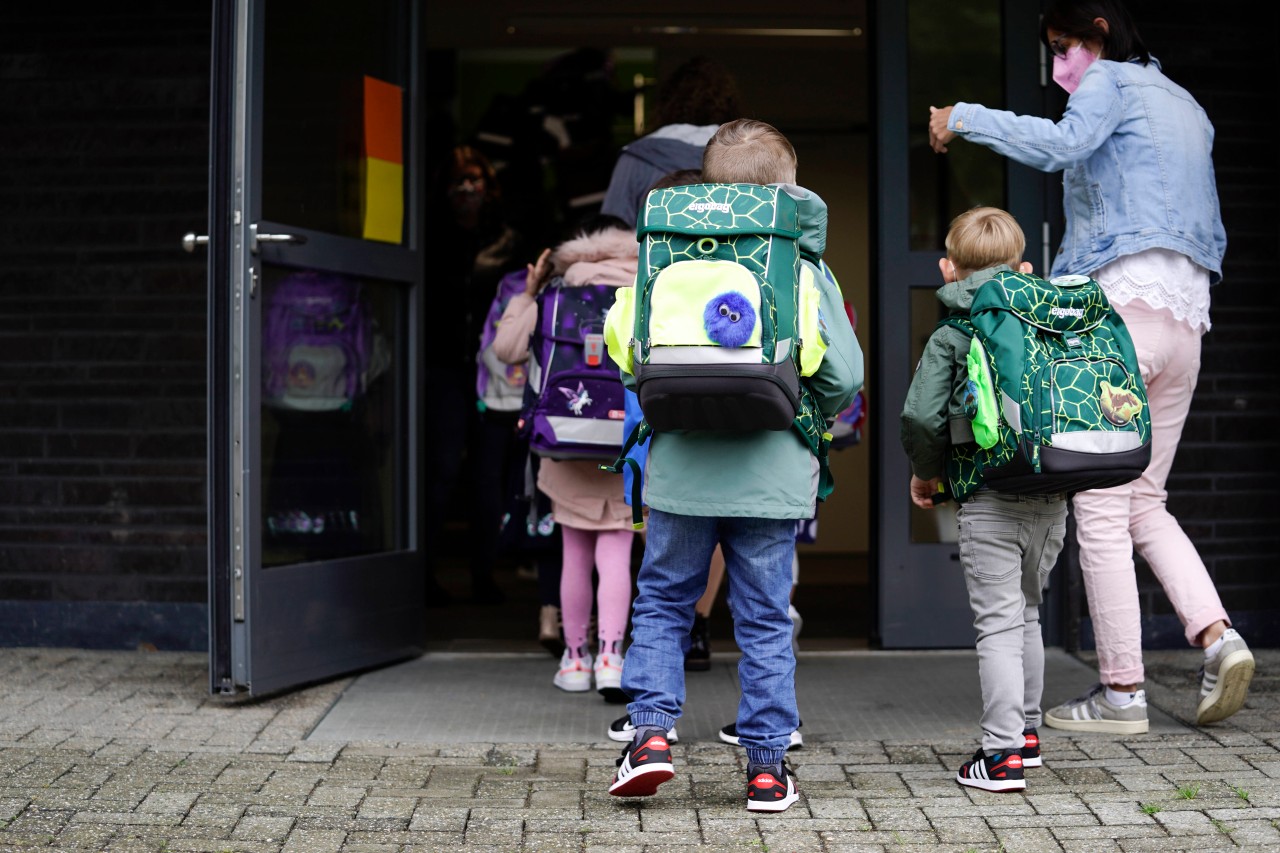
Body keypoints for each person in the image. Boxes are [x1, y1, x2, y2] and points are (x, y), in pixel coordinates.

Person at [927, 0, 1252, 732]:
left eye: (1064, 45)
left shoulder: (1109, 81)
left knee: (1101, 500)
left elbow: (1059, 146)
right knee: (1145, 499)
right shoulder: (1188, 105)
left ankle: (1122, 693)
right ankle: (1216, 635)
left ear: (1099, 36)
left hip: (1122, 322)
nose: (1058, 65)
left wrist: (964, 118)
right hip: (1187, 319)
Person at [604, 119, 862, 812]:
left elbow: (628, 353)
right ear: (787, 189)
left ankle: (651, 737)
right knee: (764, 618)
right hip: (771, 476)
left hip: (682, 468)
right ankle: (768, 768)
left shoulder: (664, 256)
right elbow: (845, 374)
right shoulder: (802, 265)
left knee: (661, 601)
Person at [900, 206, 1064, 793]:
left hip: (988, 496)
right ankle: (1029, 736)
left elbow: (922, 415)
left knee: (997, 625)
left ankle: (1000, 756)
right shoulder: (1050, 322)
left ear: (948, 270)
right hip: (1051, 493)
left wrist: (927, 474)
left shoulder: (952, 331)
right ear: (1024, 268)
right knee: (1028, 613)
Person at [492, 214, 638, 702]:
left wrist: (529, 291)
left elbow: (506, 349)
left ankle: (575, 661)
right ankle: (612, 660)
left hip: (563, 438)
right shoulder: (648, 291)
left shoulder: (556, 293)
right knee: (617, 552)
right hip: (627, 443)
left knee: (574, 553)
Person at [424, 144, 534, 605]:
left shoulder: (509, 241)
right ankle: (422, 574)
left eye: (475, 182)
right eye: (457, 182)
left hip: (498, 368)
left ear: (489, 190)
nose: (466, 191)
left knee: (490, 474)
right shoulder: (429, 237)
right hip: (445, 365)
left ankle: (484, 575)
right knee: (444, 469)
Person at [599, 57, 745, 227]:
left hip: (654, 253)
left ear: (667, 103)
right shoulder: (748, 157)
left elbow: (611, 229)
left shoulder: (636, 157)